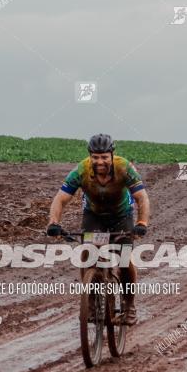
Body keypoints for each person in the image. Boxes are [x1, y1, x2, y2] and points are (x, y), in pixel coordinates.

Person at [46, 133, 150, 325]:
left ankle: (129, 306)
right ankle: (91, 304)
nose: (99, 161)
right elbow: (61, 198)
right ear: (90, 156)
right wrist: (53, 222)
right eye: (95, 157)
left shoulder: (124, 167)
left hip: (121, 215)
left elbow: (141, 197)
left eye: (104, 157)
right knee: (88, 254)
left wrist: (141, 224)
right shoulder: (81, 170)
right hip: (94, 215)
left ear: (112, 155)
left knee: (124, 259)